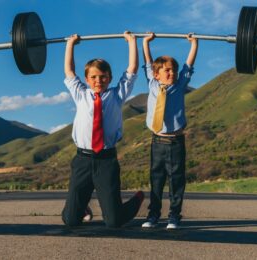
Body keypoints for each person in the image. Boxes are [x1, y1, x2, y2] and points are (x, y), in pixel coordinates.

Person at [61, 31, 145, 228]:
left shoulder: (117, 95)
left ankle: (137, 200)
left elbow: (132, 70)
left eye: (103, 77)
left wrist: (132, 42)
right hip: (82, 159)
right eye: (94, 77)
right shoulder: (80, 94)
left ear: (110, 78)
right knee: (70, 220)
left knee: (114, 222)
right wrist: (71, 44)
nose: (99, 80)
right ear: (87, 79)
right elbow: (69, 71)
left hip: (106, 160)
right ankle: (81, 207)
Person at [141, 32, 198, 229]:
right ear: (157, 74)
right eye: (167, 70)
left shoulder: (180, 85)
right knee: (156, 180)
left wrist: (193, 44)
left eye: (173, 70)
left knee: (176, 181)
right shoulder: (152, 83)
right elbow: (148, 62)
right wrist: (145, 42)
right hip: (157, 142)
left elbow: (188, 66)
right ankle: (153, 215)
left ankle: (174, 216)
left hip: (175, 142)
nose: (171, 73)